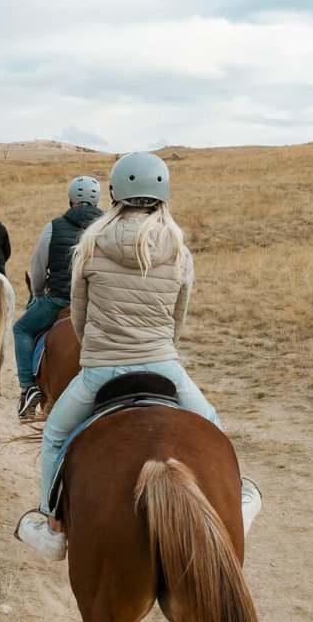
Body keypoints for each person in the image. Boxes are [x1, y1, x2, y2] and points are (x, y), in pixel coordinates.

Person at [16, 151, 260, 560]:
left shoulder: (90, 244)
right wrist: (158, 346)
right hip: (164, 363)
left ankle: (53, 525)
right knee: (212, 424)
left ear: (115, 192)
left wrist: (99, 349)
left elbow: (79, 315)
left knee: (55, 435)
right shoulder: (180, 248)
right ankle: (236, 501)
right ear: (163, 192)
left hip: (99, 370)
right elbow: (177, 318)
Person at [14, 175, 103, 419]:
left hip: (60, 301)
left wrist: (38, 293)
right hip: (99, 305)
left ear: (71, 199)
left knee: (21, 329)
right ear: (97, 201)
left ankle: (28, 389)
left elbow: (38, 270)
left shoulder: (54, 226)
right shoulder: (109, 226)